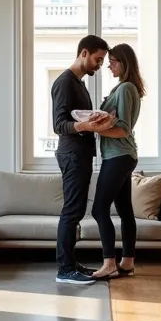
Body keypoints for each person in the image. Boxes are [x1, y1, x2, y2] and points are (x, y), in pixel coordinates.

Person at [50, 35, 115, 285]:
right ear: (84, 53)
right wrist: (86, 125)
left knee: (75, 210)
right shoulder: (65, 82)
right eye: (98, 60)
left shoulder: (78, 83)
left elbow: (77, 119)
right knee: (72, 210)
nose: (100, 65)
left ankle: (70, 263)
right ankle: (64, 270)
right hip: (72, 153)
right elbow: (59, 125)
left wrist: (96, 120)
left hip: (80, 153)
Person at [90, 43, 144, 280]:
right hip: (122, 156)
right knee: (124, 210)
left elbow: (123, 129)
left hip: (119, 156)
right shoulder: (124, 88)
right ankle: (128, 262)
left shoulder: (125, 89)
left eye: (112, 61)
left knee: (99, 208)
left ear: (124, 62)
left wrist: (93, 128)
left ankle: (109, 262)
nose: (109, 65)